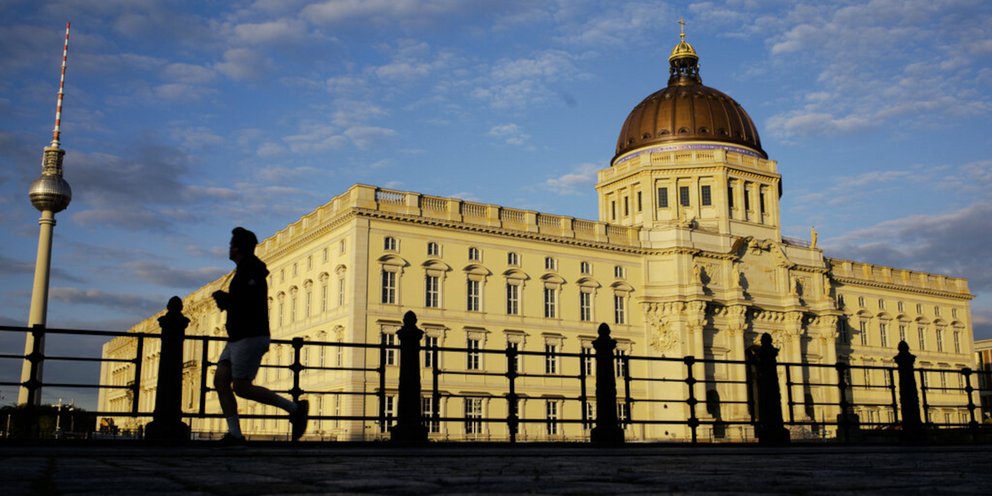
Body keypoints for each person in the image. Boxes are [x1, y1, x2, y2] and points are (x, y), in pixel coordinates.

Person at [212, 227, 308, 443]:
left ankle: (295, 409)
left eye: (232, 244)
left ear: (239, 248)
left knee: (241, 388)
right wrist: (228, 301)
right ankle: (235, 434)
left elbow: (248, 302)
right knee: (221, 381)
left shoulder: (251, 270)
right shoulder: (245, 270)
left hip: (249, 336)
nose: (229, 248)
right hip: (238, 337)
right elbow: (245, 301)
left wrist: (227, 301)